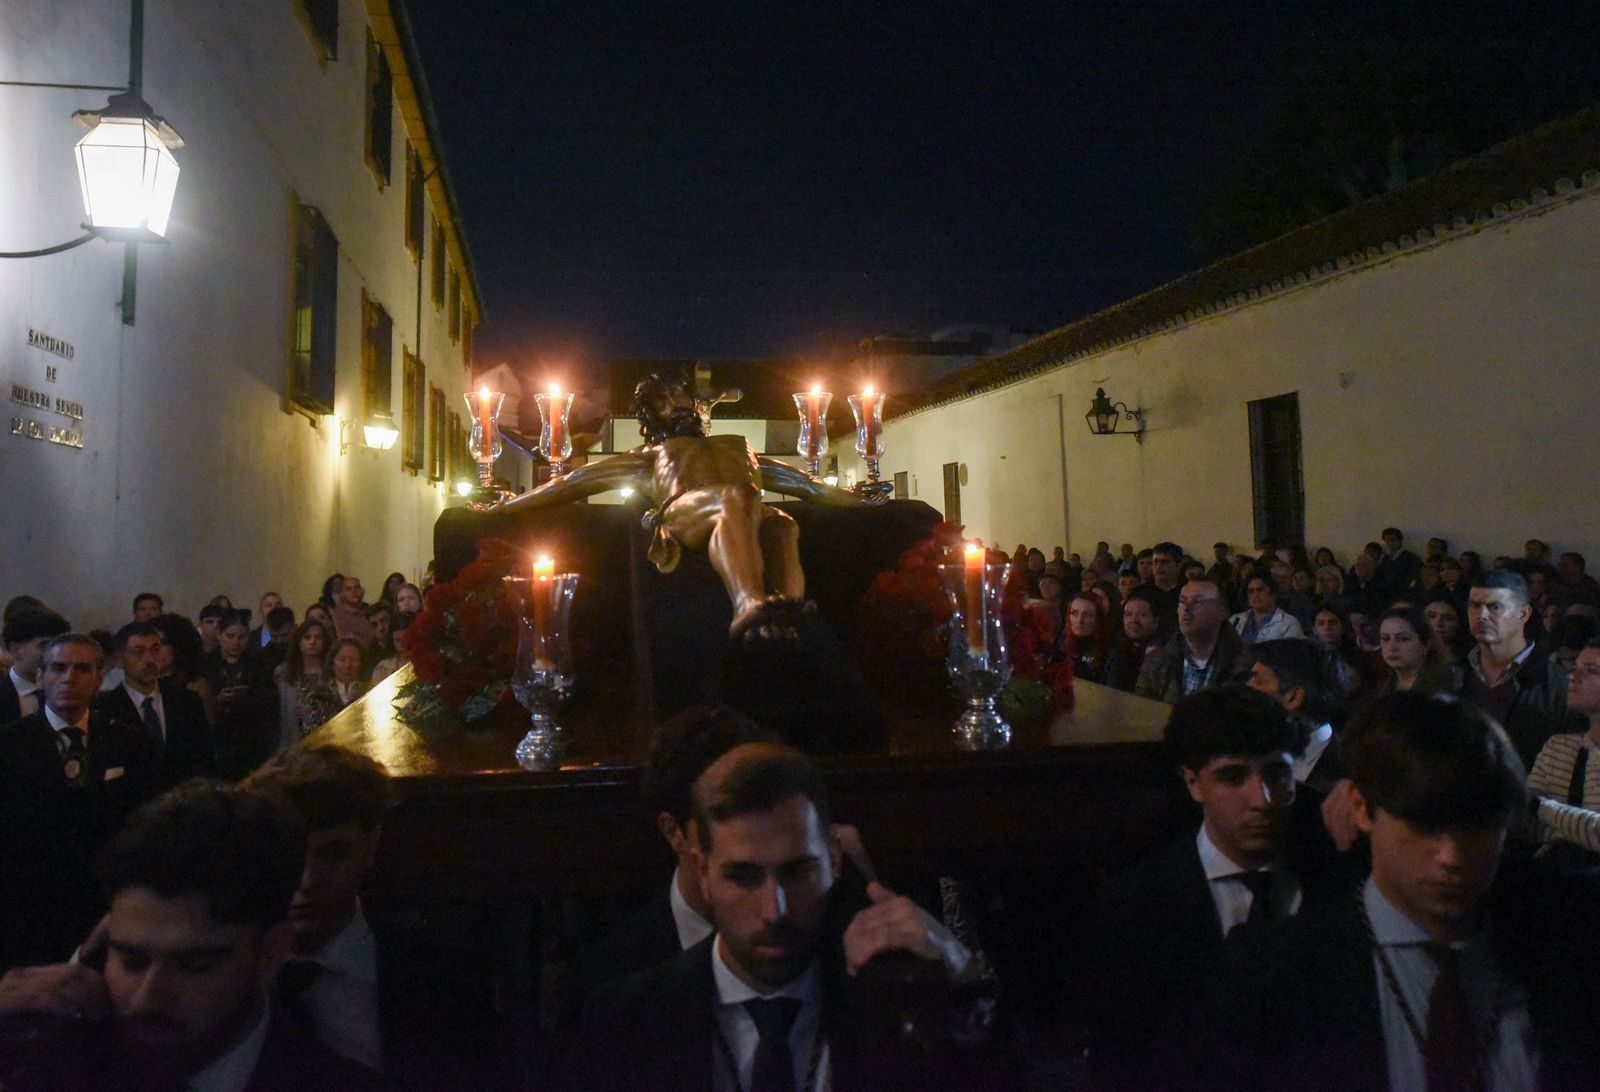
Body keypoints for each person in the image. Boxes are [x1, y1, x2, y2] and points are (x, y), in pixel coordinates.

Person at [1217, 692, 1600, 1091]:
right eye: (1423, 825)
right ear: (1361, 809)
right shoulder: (1274, 972)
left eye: (1477, 828)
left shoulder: (1571, 940)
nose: (1451, 856)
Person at [560, 743, 990, 1091]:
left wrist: (960, 974)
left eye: (798, 872)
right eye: (743, 877)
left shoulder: (889, 1002)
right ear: (701, 871)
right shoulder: (625, 1021)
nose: (775, 910)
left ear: (835, 861)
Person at [0, 780, 396, 1090]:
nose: (146, 998)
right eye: (132, 960)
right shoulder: (43, 1068)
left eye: (194, 965)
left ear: (272, 952)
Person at [501, 372, 866, 642]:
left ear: (694, 404)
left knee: (783, 523)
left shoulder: (738, 446)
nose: (674, 404)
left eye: (679, 395)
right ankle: (748, 603)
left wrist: (857, 499)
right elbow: (571, 483)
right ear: (651, 417)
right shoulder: (651, 454)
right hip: (684, 515)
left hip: (742, 505)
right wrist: (509, 505)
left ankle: (787, 613)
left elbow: (806, 485)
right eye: (662, 401)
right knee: (737, 496)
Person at [1084, 687, 1312, 1091]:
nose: (1261, 799)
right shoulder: (1136, 902)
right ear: (1193, 783)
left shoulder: (1332, 876)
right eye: (1233, 776)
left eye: (1277, 774)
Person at [557, 705, 778, 1030]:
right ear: (674, 831)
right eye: (724, 821)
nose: (750, 842)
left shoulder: (828, 939)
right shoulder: (607, 980)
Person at [0, 633, 159, 970]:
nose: (69, 678)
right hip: (31, 907)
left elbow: (144, 822)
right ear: (40, 677)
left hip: (104, 902)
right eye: (58, 668)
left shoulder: (126, 741)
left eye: (82, 669)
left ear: (100, 678)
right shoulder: (10, 745)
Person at [1461, 569, 1575, 767]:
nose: (1482, 616)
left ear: (1523, 613)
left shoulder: (1558, 684)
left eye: (1495, 607)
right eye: (1475, 606)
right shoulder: (1455, 672)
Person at [93, 621, 215, 791]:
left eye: (155, 650)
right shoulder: (105, 709)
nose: (149, 659)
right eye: (139, 652)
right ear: (120, 658)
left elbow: (204, 757)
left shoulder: (186, 701)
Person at [1524, 637, 1600, 858]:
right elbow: (1524, 821)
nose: (1573, 677)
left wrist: (1540, 807)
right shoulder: (1557, 747)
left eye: (1592, 670)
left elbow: (1531, 806)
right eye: (1575, 668)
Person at [1244, 639, 1343, 792]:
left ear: (1293, 697)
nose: (1247, 686)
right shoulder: (1255, 750)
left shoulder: (1343, 779)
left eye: (1257, 679)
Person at [1137, 580, 1247, 703]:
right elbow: (1141, 712)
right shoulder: (1157, 661)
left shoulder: (1243, 666)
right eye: (1182, 601)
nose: (1186, 608)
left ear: (1221, 611)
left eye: (1197, 601)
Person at [1, 606, 70, 725]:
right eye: (45, 646)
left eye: (59, 646)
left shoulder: (70, 691)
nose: (56, 655)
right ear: (16, 650)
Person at [275, 620, 337, 747]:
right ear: (299, 641)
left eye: (318, 637)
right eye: (307, 637)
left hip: (327, 737)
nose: (312, 641)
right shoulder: (283, 673)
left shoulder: (333, 671)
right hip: (293, 736)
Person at [1372, 606, 1455, 697]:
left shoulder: (1446, 687)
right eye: (1386, 638)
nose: (1392, 647)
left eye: (1403, 639)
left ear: (1426, 645)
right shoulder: (1382, 688)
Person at [1105, 590, 1160, 692]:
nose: (1134, 620)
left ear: (1155, 622)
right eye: (1128, 615)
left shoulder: (1162, 654)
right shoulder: (1114, 648)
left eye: (1142, 615)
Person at [1230, 573, 1305, 645]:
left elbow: (1294, 655)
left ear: (1273, 593)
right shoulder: (1236, 620)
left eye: (1260, 590)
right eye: (1251, 591)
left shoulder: (1289, 623)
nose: (1255, 595)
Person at [1065, 591, 1109, 683]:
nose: (1079, 620)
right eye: (1074, 613)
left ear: (1098, 619)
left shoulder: (1108, 651)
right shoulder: (1059, 643)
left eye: (1088, 615)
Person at [330, 576, 374, 650]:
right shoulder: (335, 615)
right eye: (348, 589)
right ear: (342, 594)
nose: (353, 592)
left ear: (362, 591)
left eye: (357, 588)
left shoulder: (370, 613)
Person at [327, 638, 367, 709]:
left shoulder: (369, 691)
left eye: (353, 659)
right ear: (332, 663)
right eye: (342, 659)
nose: (348, 665)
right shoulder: (321, 694)